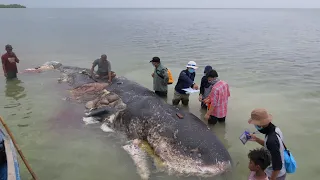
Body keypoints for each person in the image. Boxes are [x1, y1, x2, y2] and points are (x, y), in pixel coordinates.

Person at [248, 108, 287, 180]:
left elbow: (277, 166)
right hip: (279, 171)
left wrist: (272, 178)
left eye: (255, 124)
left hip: (275, 175)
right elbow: (271, 146)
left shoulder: (271, 140)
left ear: (260, 125)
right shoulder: (275, 129)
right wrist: (257, 139)